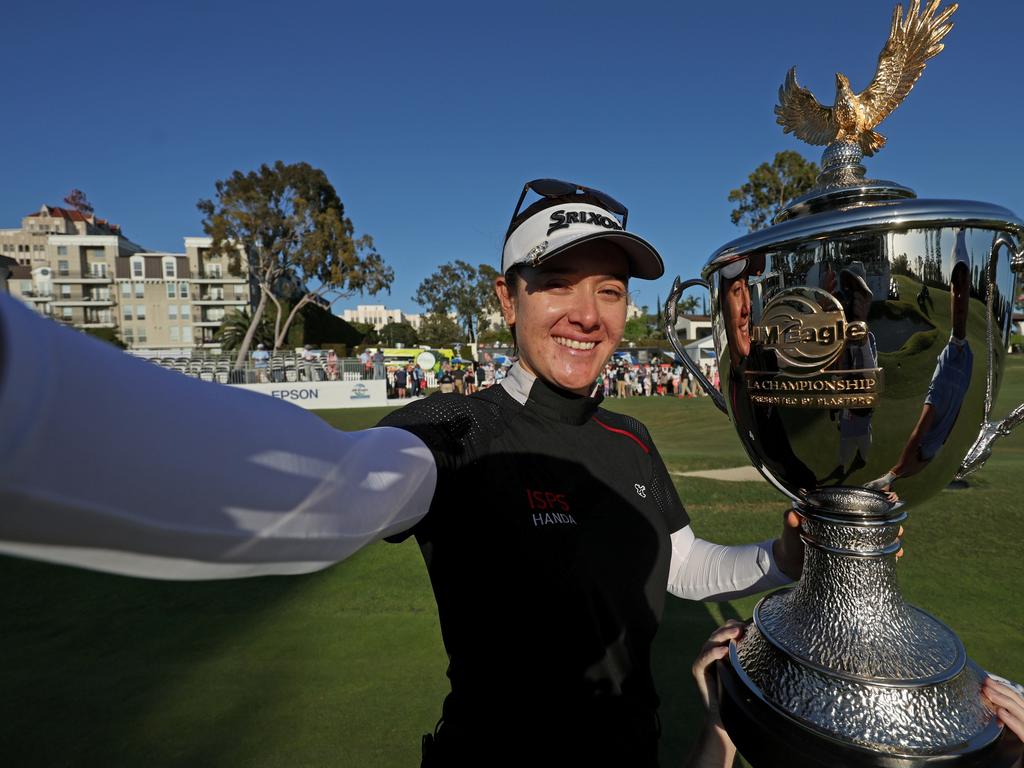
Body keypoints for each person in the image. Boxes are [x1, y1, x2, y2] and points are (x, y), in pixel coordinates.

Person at [0, 178, 803, 767]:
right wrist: (24, 397)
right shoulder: (454, 427)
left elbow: (682, 561)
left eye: (609, 290)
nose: (587, 313)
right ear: (506, 299)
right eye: (556, 283)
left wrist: (780, 559)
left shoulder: (631, 438)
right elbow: (331, 490)